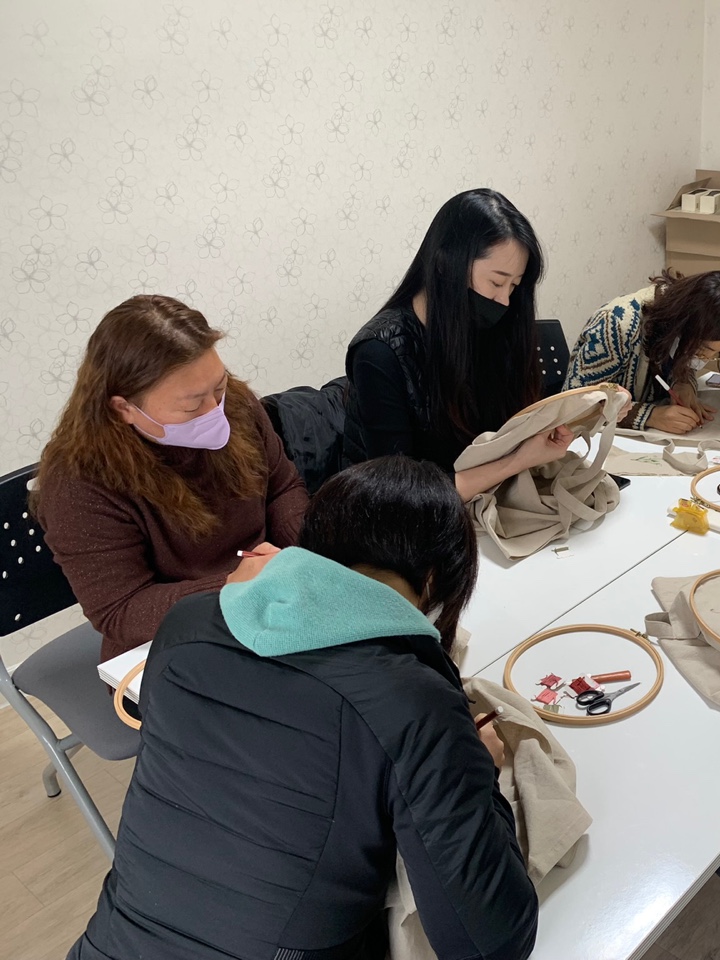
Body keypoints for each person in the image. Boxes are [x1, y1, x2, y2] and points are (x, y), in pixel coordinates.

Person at [67, 456, 537, 960]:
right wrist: (478, 773)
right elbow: (489, 943)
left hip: (109, 943)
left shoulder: (187, 624)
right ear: (432, 580)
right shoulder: (412, 702)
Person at [31, 295, 308, 663]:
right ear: (124, 408)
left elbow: (283, 488)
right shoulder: (79, 484)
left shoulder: (237, 405)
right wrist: (232, 586)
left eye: (219, 387)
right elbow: (121, 611)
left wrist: (304, 549)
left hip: (269, 597)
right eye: (192, 405)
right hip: (166, 640)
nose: (216, 410)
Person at [344, 188, 574, 500]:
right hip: (408, 516)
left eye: (514, 285)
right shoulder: (379, 353)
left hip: (488, 500)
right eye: (496, 282)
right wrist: (518, 461)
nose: (504, 300)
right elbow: (399, 495)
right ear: (445, 263)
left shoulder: (489, 328)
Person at [562, 269, 720, 434]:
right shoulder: (615, 325)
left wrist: (683, 383)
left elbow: (680, 360)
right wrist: (649, 416)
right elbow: (573, 407)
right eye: (703, 350)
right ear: (685, 326)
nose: (705, 359)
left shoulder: (681, 317)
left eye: (718, 354)